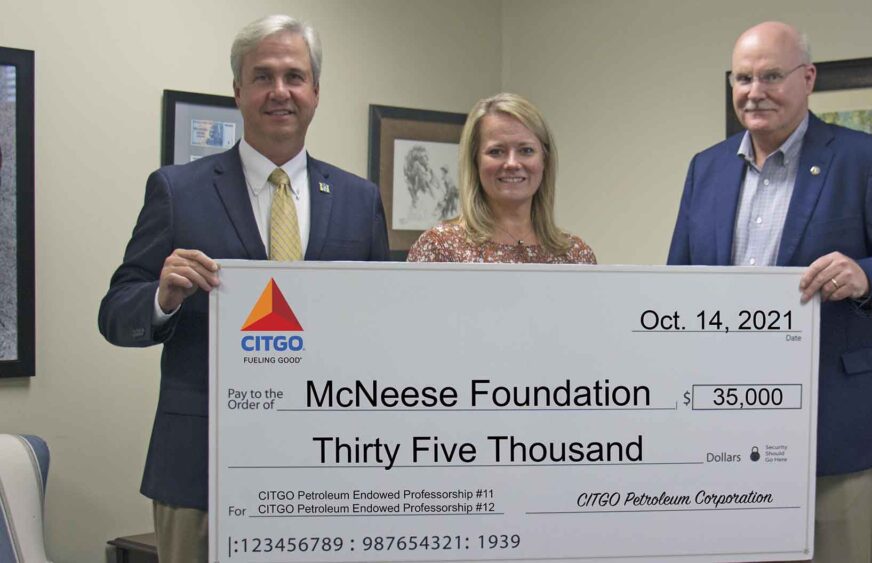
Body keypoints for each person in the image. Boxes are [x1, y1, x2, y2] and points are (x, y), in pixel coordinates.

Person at [98, 14, 388, 562]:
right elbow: (115, 312)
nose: (280, 91)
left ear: (316, 92)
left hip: (326, 468)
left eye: (294, 77)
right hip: (200, 470)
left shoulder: (358, 198)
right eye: (263, 76)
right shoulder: (178, 190)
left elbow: (379, 328)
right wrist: (162, 298)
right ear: (238, 91)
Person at [667, 21, 872, 562]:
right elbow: (679, 281)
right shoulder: (707, 168)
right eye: (742, 78)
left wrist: (865, 276)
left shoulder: (864, 159)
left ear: (807, 78)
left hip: (832, 426)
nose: (754, 91)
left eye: (771, 76)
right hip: (721, 425)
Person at [407, 93, 595, 264]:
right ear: (475, 161)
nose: (512, 163)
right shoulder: (439, 249)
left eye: (526, 150)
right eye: (496, 151)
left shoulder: (575, 255)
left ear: (544, 160)